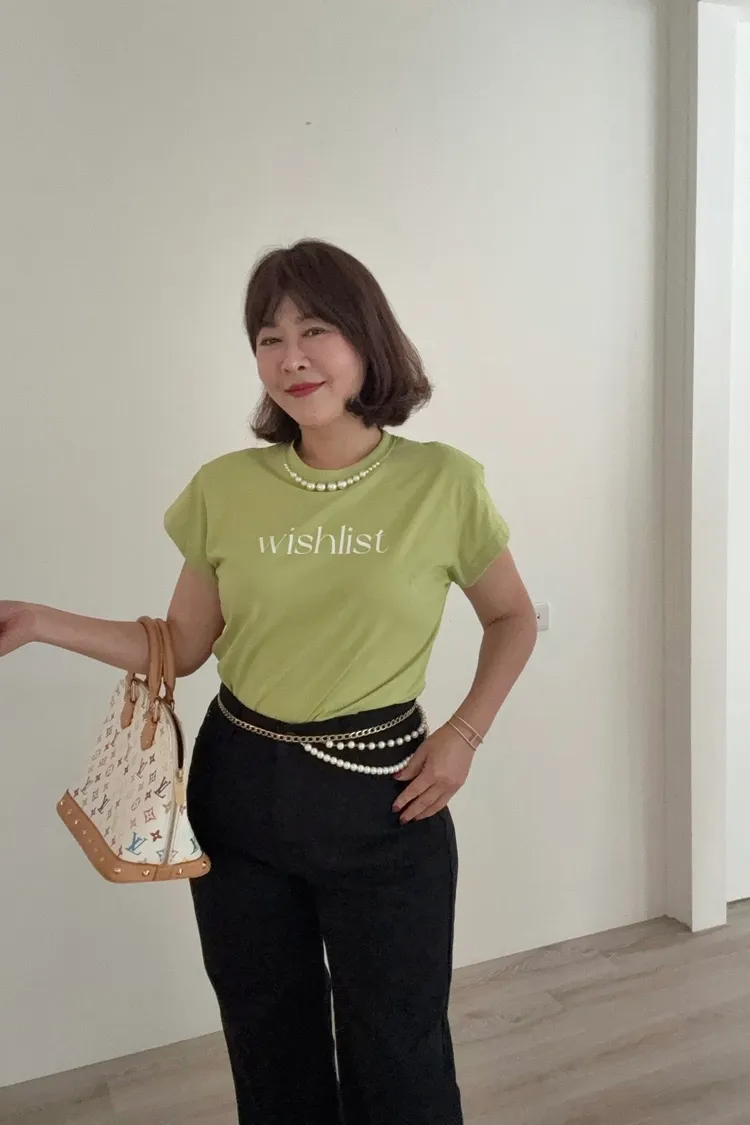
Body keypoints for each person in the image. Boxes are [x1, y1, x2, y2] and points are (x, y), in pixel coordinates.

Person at [0, 240, 537, 1125]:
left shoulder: (442, 482)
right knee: (267, 1041)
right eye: (268, 337)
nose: (291, 356)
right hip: (239, 789)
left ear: (366, 338)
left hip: (385, 791)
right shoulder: (225, 488)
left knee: (399, 1050)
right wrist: (37, 621)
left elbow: (513, 617)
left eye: (315, 329)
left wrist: (463, 734)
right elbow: (182, 644)